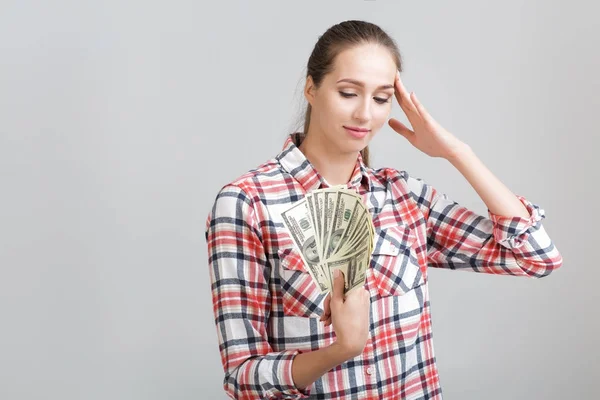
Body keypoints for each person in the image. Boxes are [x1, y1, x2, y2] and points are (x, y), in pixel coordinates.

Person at [204, 20, 563, 399]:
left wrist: (457, 153)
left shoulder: (402, 195)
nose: (365, 114)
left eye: (380, 98)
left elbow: (536, 256)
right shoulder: (246, 202)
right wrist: (341, 349)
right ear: (312, 88)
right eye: (347, 93)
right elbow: (242, 377)